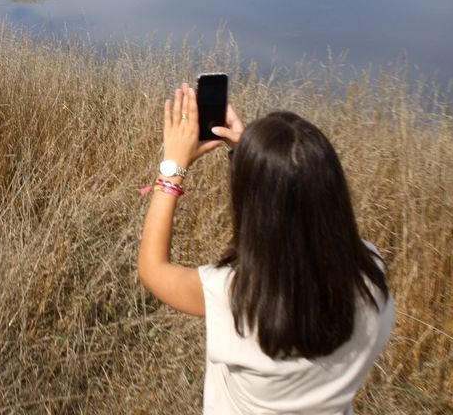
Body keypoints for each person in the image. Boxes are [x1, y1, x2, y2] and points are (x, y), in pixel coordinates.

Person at [138, 84, 394, 414]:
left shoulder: (235, 297)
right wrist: (255, 159)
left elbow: (152, 269)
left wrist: (172, 166)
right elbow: (296, 206)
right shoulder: (370, 275)